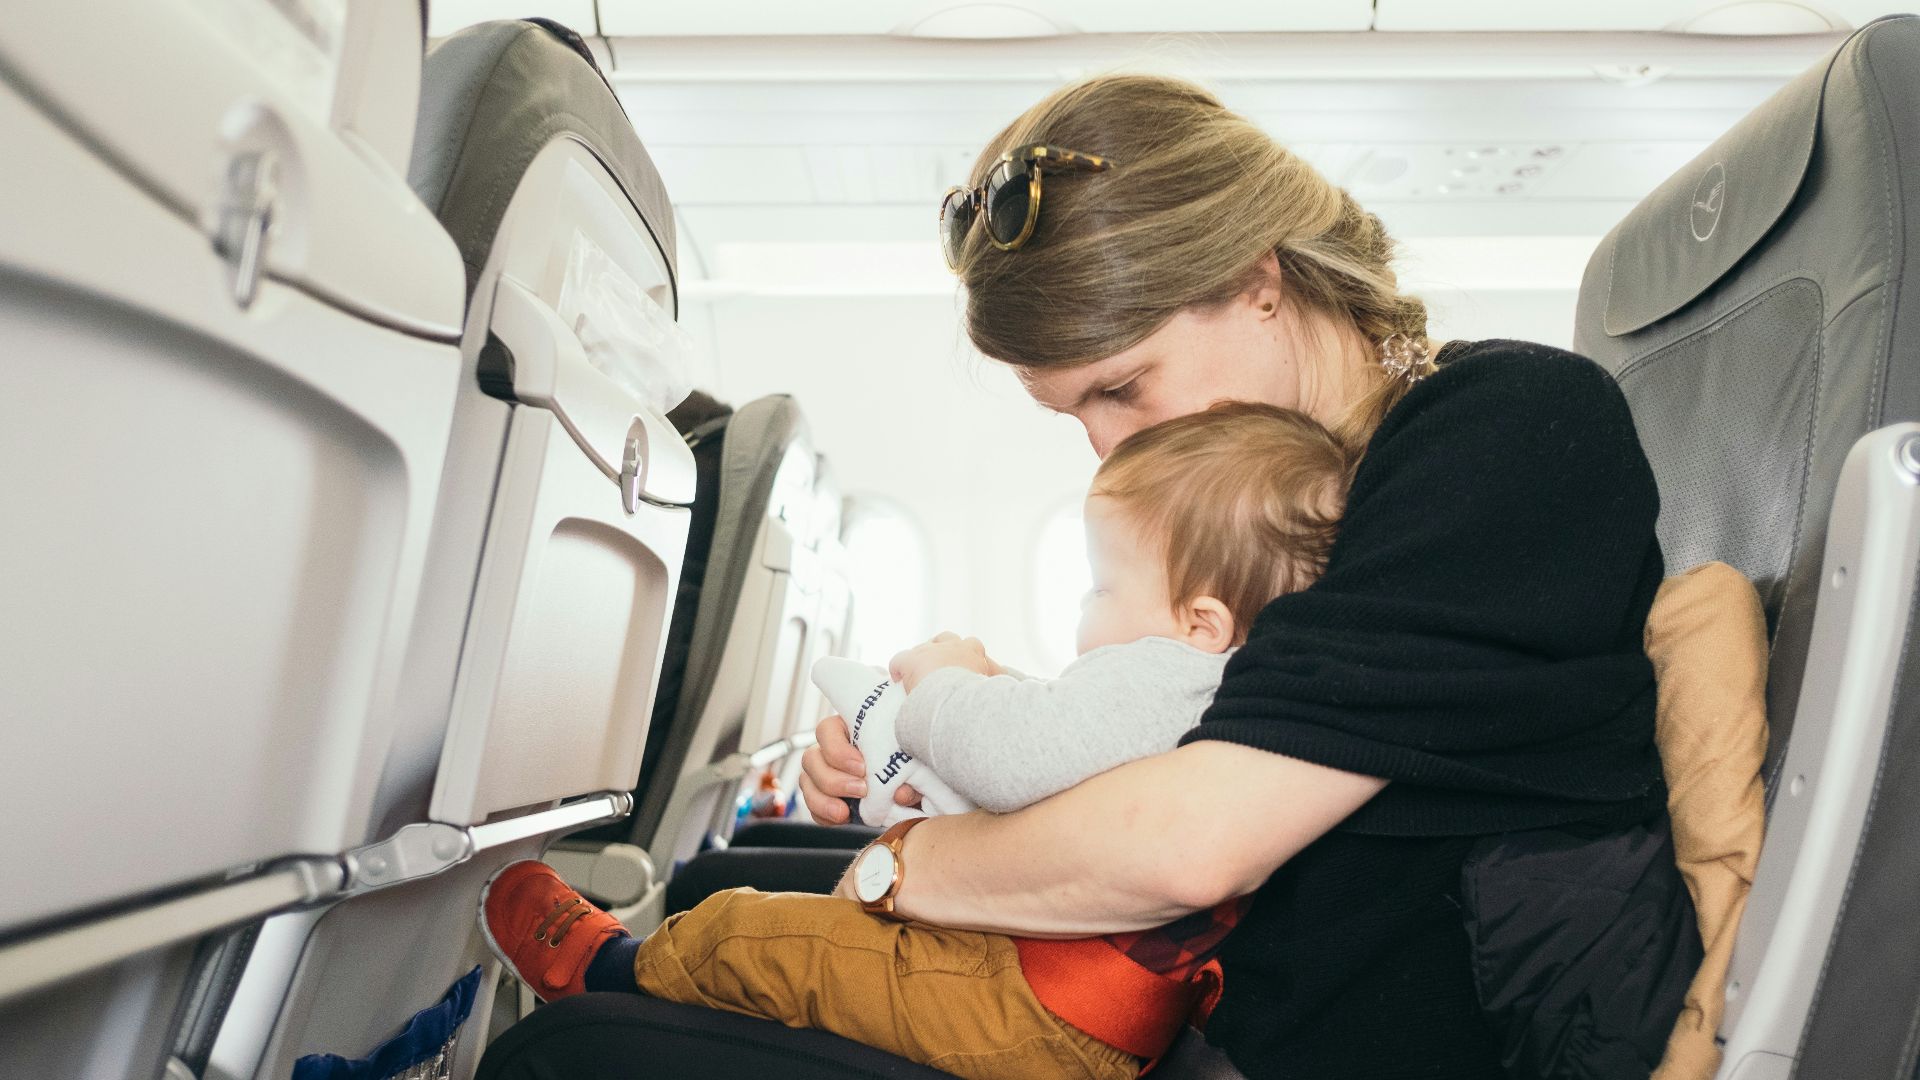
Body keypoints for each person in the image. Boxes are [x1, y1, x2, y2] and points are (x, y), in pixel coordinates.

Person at [478, 73, 1702, 1080]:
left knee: (572, 1058)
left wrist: (907, 865)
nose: (1110, 448)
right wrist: (934, 749)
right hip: (1181, 1016)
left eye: (1122, 386)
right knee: (713, 901)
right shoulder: (1285, 490)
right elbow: (1212, 724)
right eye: (1073, 411)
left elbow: (1190, 846)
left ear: (1261, 281)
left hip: (1275, 1046)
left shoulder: (1505, 431)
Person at [481, 403, 1358, 1080]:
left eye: (1100, 588)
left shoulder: (1170, 673)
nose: (1082, 609)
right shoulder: (1221, 689)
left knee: (762, 934)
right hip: (1067, 1007)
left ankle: (610, 970)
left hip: (1033, 1008)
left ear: (1202, 621)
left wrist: (943, 683)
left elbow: (1016, 760)